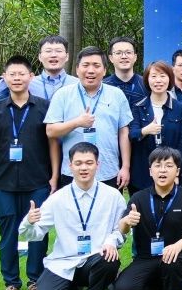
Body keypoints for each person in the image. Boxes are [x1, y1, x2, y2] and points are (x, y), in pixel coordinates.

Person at [19, 142, 135, 290]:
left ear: (97, 165)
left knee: (110, 259)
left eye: (89, 163)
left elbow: (120, 230)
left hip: (96, 259)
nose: (84, 168)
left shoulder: (112, 196)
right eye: (78, 163)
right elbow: (33, 235)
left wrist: (111, 241)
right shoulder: (58, 198)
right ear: (70, 166)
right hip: (64, 262)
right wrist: (28, 222)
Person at [0, 55, 52, 290]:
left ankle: (35, 281)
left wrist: (53, 177)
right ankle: (11, 283)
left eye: (22, 74)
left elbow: (53, 143)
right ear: (4, 78)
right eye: (12, 74)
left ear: (31, 77)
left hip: (37, 181)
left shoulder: (44, 106)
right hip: (4, 183)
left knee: (37, 233)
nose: (17, 78)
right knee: (8, 233)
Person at [112, 147, 182, 290]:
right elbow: (123, 229)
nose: (163, 170)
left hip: (178, 256)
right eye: (158, 165)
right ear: (150, 171)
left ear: (177, 171)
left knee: (171, 261)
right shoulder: (138, 198)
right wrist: (126, 221)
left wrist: (178, 245)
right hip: (146, 257)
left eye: (168, 165)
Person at [44, 46, 132, 190]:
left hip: (108, 171)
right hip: (72, 172)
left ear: (104, 70)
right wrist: (77, 123)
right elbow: (51, 131)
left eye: (96, 65)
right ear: (77, 69)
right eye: (85, 65)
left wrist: (125, 167)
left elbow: (123, 132)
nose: (91, 70)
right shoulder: (62, 95)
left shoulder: (117, 94)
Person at [128, 60, 182, 194]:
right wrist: (145, 130)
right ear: (147, 80)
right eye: (154, 76)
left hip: (170, 172)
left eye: (163, 76)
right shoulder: (138, 106)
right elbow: (132, 135)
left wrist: (177, 173)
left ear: (169, 79)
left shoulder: (179, 108)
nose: (158, 80)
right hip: (143, 173)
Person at [0, 35, 76, 104]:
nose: (53, 55)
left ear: (67, 56)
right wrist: (7, 79)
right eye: (48, 51)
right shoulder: (27, 82)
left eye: (58, 51)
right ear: (40, 57)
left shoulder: (77, 84)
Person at [104, 37, 147, 106]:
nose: (124, 56)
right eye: (118, 53)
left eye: (128, 52)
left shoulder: (147, 85)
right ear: (111, 58)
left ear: (135, 57)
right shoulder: (102, 87)